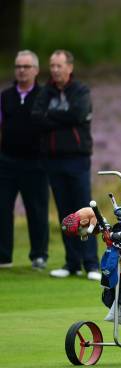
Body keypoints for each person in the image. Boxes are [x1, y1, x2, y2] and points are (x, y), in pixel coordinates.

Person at [31, 50, 100, 281]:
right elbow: (37, 118)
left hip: (77, 158)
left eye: (59, 65)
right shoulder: (45, 92)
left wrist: (52, 117)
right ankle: (71, 262)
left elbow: (77, 114)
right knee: (65, 212)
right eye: (52, 65)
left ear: (69, 67)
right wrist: (61, 116)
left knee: (85, 211)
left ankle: (91, 263)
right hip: (53, 159)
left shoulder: (80, 91)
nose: (55, 70)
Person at [0, 50, 49, 270]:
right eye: (18, 66)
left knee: (36, 209)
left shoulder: (44, 95)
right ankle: (4, 257)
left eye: (26, 67)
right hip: (7, 161)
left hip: (35, 163)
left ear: (36, 70)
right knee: (2, 208)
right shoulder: (6, 96)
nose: (21, 70)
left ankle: (39, 255)